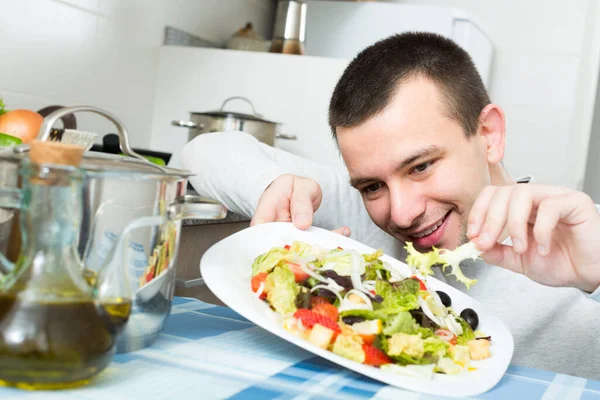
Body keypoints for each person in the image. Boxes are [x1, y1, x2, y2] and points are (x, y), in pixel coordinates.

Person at [181, 32, 600, 379]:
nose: (400, 214)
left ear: (488, 134)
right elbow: (203, 152)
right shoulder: (351, 214)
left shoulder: (579, 242)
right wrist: (275, 186)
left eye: (420, 166)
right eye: (372, 186)